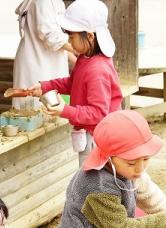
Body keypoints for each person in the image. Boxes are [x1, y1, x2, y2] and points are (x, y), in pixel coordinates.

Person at [19, 0, 122, 167]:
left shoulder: (98, 71)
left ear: (90, 36)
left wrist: (65, 110)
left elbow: (98, 113)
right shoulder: (86, 58)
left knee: (92, 178)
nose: (69, 41)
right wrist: (45, 86)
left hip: (99, 137)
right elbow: (74, 83)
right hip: (90, 132)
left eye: (72, 36)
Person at [11, 0, 71, 112]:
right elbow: (52, 37)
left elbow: (60, 42)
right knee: (36, 110)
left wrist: (80, 59)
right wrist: (85, 50)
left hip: (50, 62)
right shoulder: (43, 2)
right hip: (38, 63)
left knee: (56, 109)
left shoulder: (58, 2)